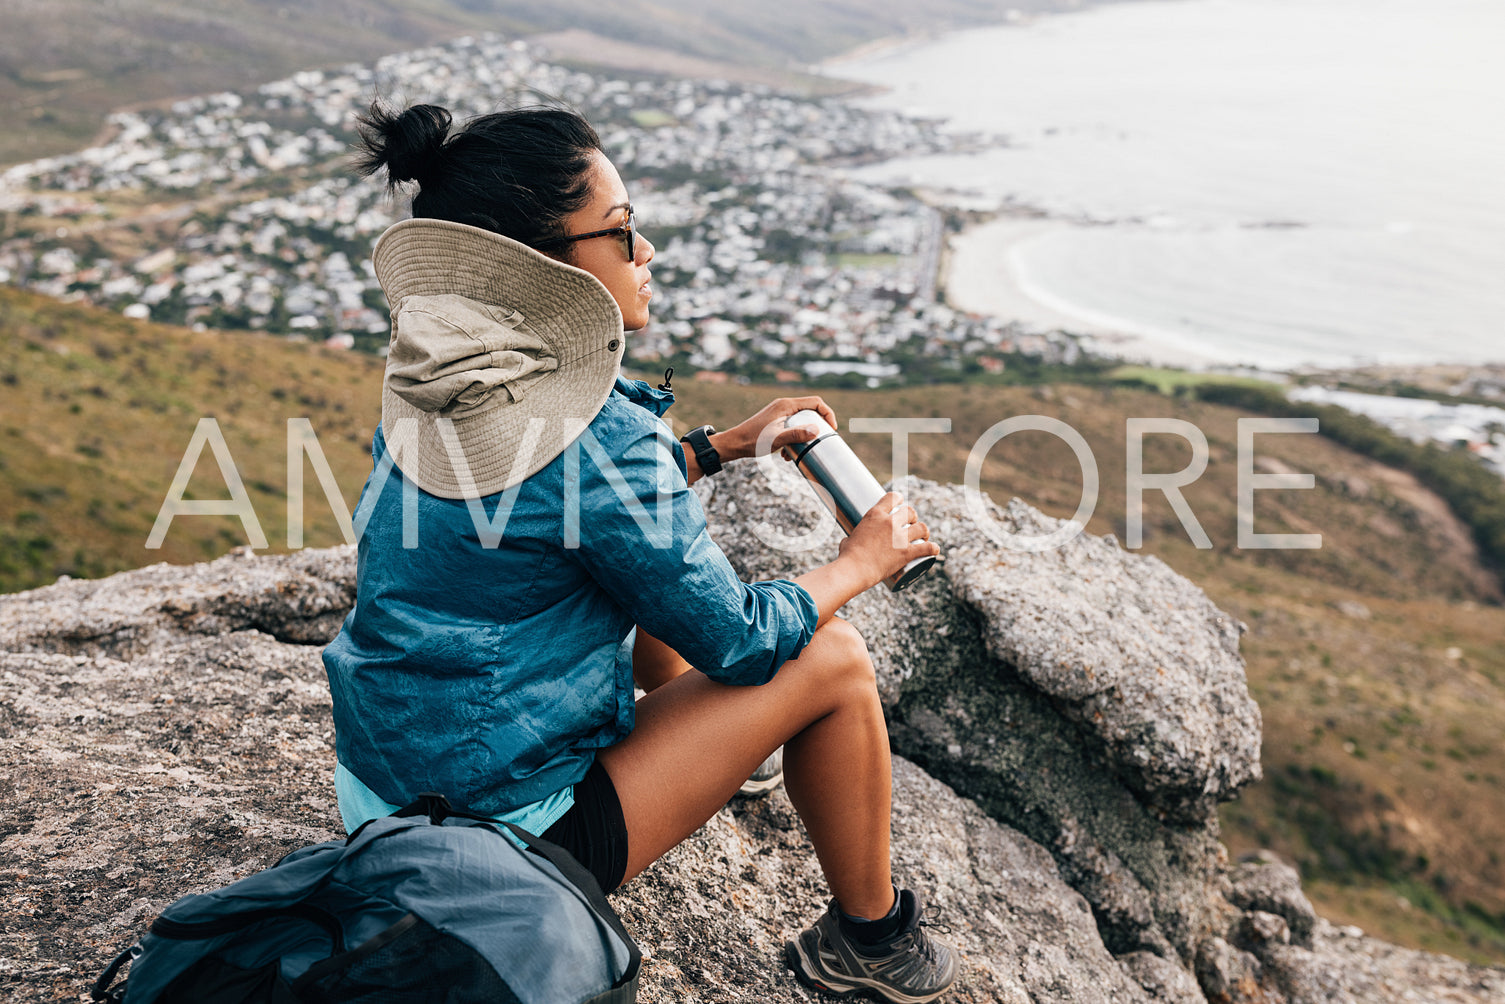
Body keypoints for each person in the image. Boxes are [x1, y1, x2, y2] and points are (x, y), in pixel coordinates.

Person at [321, 100, 960, 1003]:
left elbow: (559, 494)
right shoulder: (597, 440)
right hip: (504, 838)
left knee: (649, 575)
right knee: (832, 659)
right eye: (622, 233)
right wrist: (862, 558)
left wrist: (717, 447)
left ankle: (709, 736)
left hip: (380, 794)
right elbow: (736, 638)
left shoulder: (440, 372)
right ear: (548, 262)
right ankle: (872, 943)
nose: (646, 253)